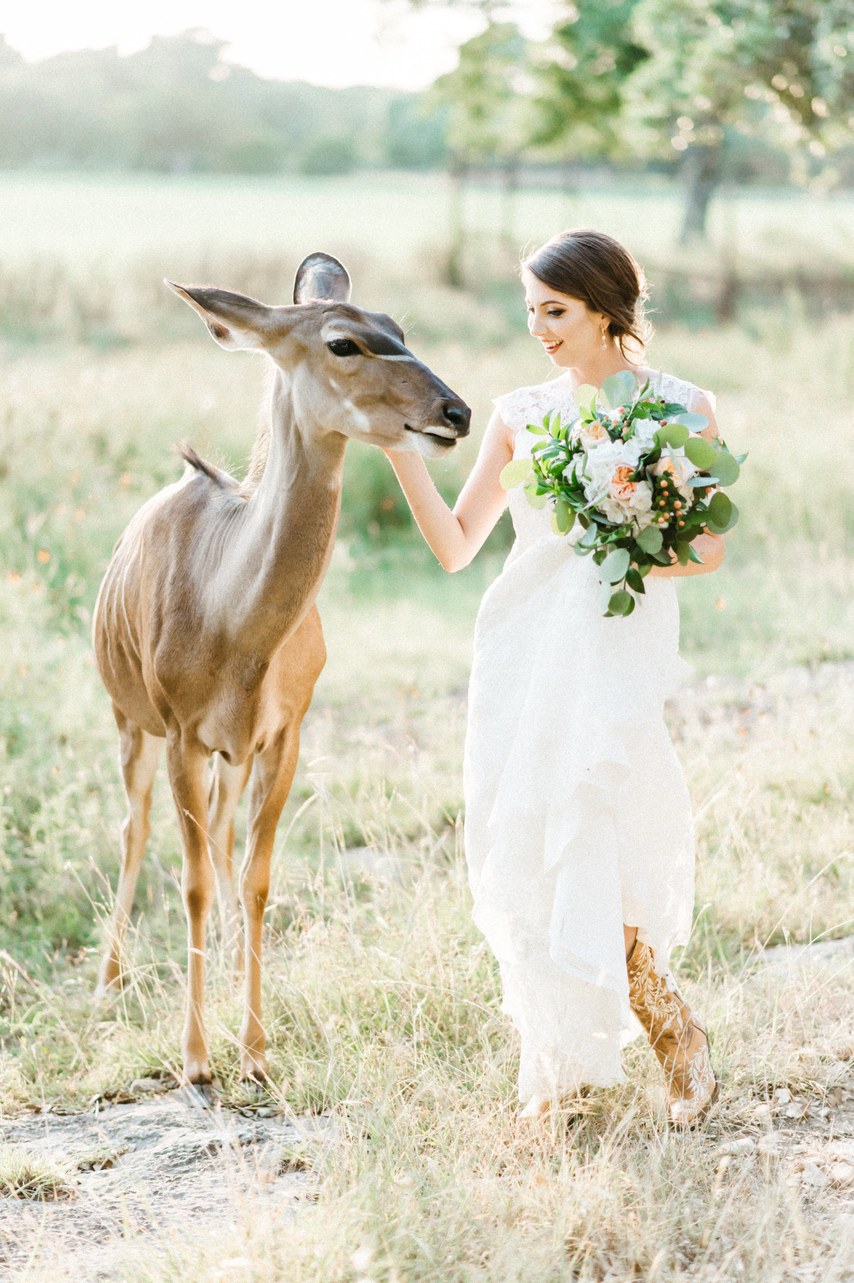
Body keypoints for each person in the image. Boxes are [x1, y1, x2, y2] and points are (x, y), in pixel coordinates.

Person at [383, 228, 724, 1126]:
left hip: (613, 648)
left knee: (600, 830)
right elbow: (458, 547)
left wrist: (627, 536)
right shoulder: (520, 411)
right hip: (525, 646)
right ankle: (560, 1069)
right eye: (529, 310)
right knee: (529, 842)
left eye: (555, 310)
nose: (538, 327)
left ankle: (673, 1035)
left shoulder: (683, 409)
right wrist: (399, 453)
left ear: (609, 307)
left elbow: (710, 548)